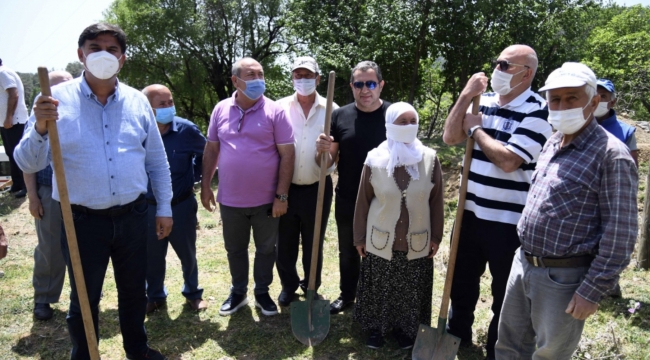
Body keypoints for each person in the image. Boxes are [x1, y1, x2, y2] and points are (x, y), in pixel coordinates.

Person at [14, 23, 172, 360]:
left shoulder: (136, 101)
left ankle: (137, 349)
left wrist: (165, 207)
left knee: (133, 291)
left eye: (112, 49)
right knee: (84, 296)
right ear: (80, 54)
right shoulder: (53, 101)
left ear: (123, 58)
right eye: (95, 47)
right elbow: (27, 160)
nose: (104, 54)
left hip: (133, 215)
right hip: (81, 221)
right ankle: (84, 353)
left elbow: (156, 160)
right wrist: (40, 126)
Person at [495, 62, 638, 359]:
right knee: (509, 345)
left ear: (594, 101)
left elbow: (620, 234)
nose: (561, 106)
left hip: (564, 277)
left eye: (572, 98)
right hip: (523, 262)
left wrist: (592, 291)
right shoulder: (552, 142)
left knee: (550, 353)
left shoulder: (612, 155)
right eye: (555, 99)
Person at [441, 45, 552, 359]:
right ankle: (457, 333)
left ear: (526, 73)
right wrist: (466, 95)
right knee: (461, 280)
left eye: (504, 65)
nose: (496, 70)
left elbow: (508, 161)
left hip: (508, 220)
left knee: (504, 290)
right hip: (470, 212)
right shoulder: (483, 101)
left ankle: (497, 348)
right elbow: (450, 137)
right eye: (497, 64)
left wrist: (476, 129)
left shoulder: (538, 110)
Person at [201, 57, 295, 317]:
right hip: (230, 200)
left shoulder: (275, 111)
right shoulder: (220, 109)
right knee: (235, 249)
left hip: (266, 200)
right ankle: (238, 292)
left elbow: (288, 155)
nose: (258, 80)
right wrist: (206, 185)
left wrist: (281, 196)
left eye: (260, 74)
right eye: (251, 75)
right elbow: (212, 148)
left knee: (266, 249)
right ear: (235, 80)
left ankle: (262, 293)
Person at [353, 102, 444, 350]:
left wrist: (436, 236)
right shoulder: (375, 159)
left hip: (417, 239)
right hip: (381, 239)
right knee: (381, 287)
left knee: (411, 289)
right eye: (402, 122)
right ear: (389, 125)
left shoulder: (429, 158)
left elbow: (436, 202)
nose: (408, 127)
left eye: (412, 121)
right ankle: (376, 330)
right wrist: (359, 237)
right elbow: (363, 200)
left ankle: (407, 330)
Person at [315, 60, 391, 315]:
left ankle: (379, 299)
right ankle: (348, 295)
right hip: (348, 196)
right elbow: (326, 164)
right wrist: (322, 151)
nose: (365, 89)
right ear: (352, 87)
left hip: (385, 199)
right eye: (359, 84)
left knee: (382, 251)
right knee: (348, 251)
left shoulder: (393, 115)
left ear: (380, 85)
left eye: (371, 83)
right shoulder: (339, 115)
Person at [275, 57, 338, 307]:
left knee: (314, 242)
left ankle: (311, 286)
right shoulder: (278, 108)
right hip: (285, 189)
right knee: (285, 243)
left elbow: (334, 160)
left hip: (317, 188)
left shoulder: (333, 109)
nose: (303, 80)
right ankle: (288, 286)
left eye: (308, 75)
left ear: (318, 79)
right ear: (292, 78)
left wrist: (325, 153)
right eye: (298, 75)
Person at [142, 84, 207, 313]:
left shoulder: (187, 130)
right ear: (147, 108)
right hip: (148, 207)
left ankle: (193, 293)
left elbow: (206, 153)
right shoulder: (138, 131)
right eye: (162, 104)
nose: (169, 107)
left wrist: (197, 176)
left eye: (170, 102)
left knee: (187, 252)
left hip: (181, 205)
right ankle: (155, 295)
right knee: (152, 255)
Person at [24, 70, 73, 321]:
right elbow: (27, 162)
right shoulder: (37, 118)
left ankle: (82, 299)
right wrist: (33, 197)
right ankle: (43, 298)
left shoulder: (81, 112)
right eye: (56, 88)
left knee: (84, 248)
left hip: (79, 191)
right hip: (47, 193)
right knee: (50, 248)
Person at [0, 58, 29, 198]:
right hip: (6, 122)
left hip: (14, 121)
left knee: (19, 155)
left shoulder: (3, 72)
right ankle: (17, 184)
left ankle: (26, 186)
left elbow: (13, 94)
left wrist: (9, 117)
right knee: (11, 154)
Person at [594, 78, 638, 166]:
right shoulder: (579, 127)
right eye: (594, 95)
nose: (597, 99)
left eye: (603, 96)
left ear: (613, 102)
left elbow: (632, 168)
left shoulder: (626, 132)